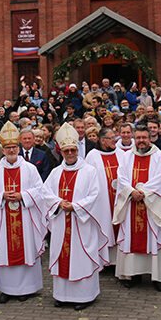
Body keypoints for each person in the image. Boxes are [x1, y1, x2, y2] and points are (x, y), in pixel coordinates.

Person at [44, 123, 111, 309]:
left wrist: (75, 206)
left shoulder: (89, 171)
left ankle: (84, 297)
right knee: (62, 256)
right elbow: (45, 193)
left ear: (77, 149)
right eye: (66, 151)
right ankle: (61, 295)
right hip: (61, 224)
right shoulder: (56, 172)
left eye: (73, 150)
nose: (70, 153)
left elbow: (95, 195)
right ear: (61, 151)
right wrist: (58, 203)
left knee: (81, 258)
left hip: (82, 223)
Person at [0, 121, 46, 303]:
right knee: (5, 250)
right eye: (7, 148)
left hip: (25, 218)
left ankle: (26, 288)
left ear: (18, 148)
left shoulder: (30, 169)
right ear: (2, 150)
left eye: (14, 147)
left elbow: (40, 191)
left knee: (25, 249)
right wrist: (2, 195)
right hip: (4, 219)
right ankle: (6, 290)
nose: (11, 150)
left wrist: (23, 195)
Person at [113, 125, 161, 291]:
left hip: (152, 207)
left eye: (144, 138)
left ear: (150, 138)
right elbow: (121, 178)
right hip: (132, 203)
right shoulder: (127, 157)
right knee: (132, 239)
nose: (141, 141)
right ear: (135, 138)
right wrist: (131, 191)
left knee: (154, 239)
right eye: (139, 138)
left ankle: (158, 277)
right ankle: (133, 275)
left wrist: (144, 192)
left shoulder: (159, 156)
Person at [86, 127, 126, 264]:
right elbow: (88, 179)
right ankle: (104, 261)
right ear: (103, 141)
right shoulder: (92, 156)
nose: (115, 140)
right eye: (111, 138)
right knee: (104, 227)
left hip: (119, 199)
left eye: (115, 136)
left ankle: (120, 261)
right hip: (102, 202)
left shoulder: (122, 154)